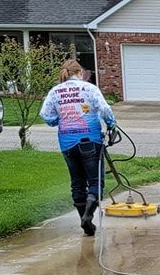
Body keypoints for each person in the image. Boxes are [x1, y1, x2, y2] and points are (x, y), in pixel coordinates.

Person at [41, 60, 116, 236]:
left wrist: (58, 120)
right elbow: (104, 109)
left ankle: (85, 221)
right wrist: (112, 124)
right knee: (95, 181)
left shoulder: (55, 91)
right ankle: (88, 215)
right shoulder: (89, 88)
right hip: (90, 140)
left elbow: (46, 115)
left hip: (67, 142)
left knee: (77, 183)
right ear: (80, 73)